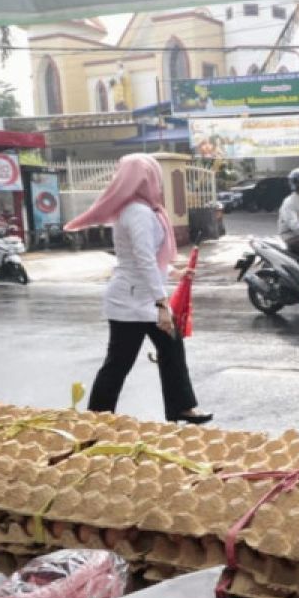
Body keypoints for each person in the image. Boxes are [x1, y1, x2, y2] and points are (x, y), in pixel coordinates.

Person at [65, 154, 212, 424]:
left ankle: (182, 407)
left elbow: (146, 259)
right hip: (130, 301)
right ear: (147, 180)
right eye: (156, 177)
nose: (160, 184)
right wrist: (161, 303)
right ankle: (97, 417)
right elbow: (142, 259)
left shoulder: (143, 210)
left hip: (140, 296)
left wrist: (174, 272)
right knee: (119, 362)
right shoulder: (138, 213)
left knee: (171, 347)